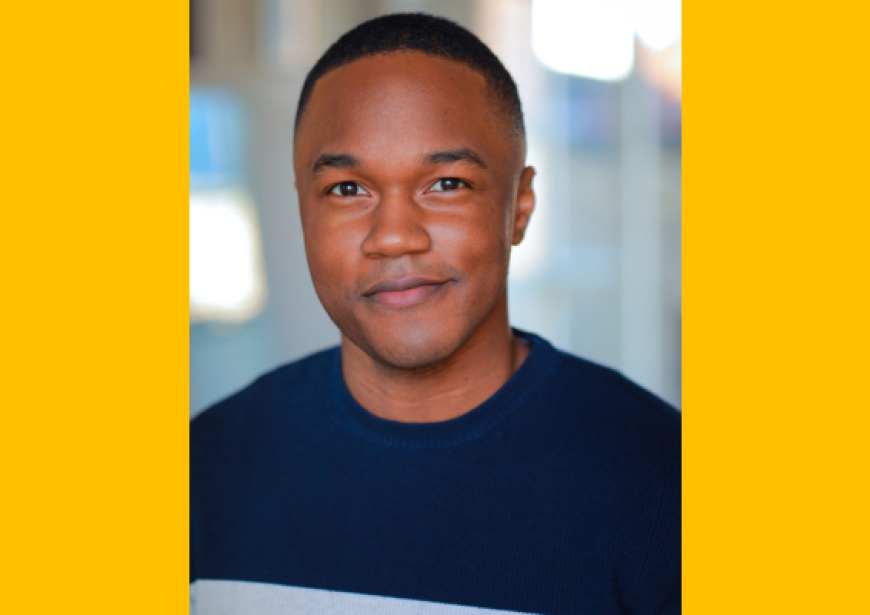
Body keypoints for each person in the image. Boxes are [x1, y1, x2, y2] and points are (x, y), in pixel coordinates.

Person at [190, 13, 680, 615]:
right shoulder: (203, 470)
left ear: (519, 207)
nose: (394, 237)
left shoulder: (665, 488)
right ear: (303, 210)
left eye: (446, 184)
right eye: (347, 189)